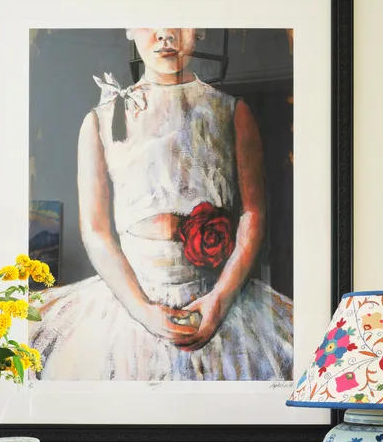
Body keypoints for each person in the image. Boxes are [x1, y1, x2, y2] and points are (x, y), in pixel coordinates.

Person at [32, 27, 293, 381]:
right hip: (129, 303)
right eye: (150, 20)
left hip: (215, 301)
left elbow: (253, 213)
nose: (166, 34)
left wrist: (220, 300)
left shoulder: (231, 111)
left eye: (180, 21)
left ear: (199, 30)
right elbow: (95, 229)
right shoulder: (100, 119)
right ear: (129, 28)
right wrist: (141, 310)